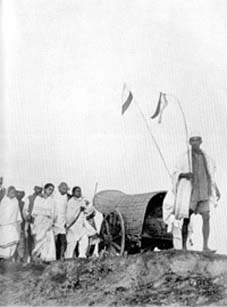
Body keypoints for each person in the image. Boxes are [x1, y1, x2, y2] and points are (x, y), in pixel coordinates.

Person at [164, 131, 220, 252]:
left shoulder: (206, 158)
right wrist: (184, 174)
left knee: (206, 217)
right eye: (192, 140)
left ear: (201, 141)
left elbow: (210, 174)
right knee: (187, 218)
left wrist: (216, 189)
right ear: (189, 142)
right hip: (191, 192)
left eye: (197, 140)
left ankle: (205, 246)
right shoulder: (184, 157)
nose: (195, 142)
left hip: (204, 190)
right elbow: (175, 172)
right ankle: (184, 246)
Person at [65, 186, 97, 259]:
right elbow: (69, 215)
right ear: (73, 193)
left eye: (79, 191)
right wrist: (78, 209)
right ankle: (68, 258)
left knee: (84, 239)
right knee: (71, 243)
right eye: (77, 191)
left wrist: (90, 209)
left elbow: (86, 211)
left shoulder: (82, 201)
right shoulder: (71, 202)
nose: (79, 192)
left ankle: (82, 256)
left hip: (81, 225)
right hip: (73, 226)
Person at [32, 183, 56, 262]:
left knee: (48, 240)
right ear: (45, 189)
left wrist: (50, 222)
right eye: (49, 189)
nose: (50, 191)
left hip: (48, 222)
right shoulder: (38, 198)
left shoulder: (52, 200)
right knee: (39, 240)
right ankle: (36, 259)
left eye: (52, 190)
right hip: (39, 222)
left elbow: (53, 213)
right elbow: (35, 212)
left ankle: (45, 259)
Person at [0, 186, 22, 260]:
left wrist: (18, 222)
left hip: (13, 226)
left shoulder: (15, 201)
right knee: (4, 245)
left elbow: (17, 212)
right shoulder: (3, 200)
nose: (13, 193)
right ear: (8, 192)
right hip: (3, 226)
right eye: (11, 192)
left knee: (13, 243)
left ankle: (8, 260)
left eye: (14, 192)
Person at [23, 185, 43, 263]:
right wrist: (28, 216)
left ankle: (37, 259)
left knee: (38, 241)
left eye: (40, 189)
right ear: (34, 189)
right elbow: (25, 210)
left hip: (40, 224)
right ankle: (29, 258)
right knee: (29, 241)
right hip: (31, 223)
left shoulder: (44, 199)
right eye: (38, 188)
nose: (39, 190)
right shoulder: (30, 198)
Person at [53, 182, 69, 260]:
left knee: (64, 241)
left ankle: (61, 256)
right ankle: (56, 257)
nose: (64, 190)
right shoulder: (54, 196)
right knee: (55, 242)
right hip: (54, 222)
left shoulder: (68, 197)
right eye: (63, 188)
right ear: (59, 188)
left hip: (63, 222)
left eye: (66, 189)